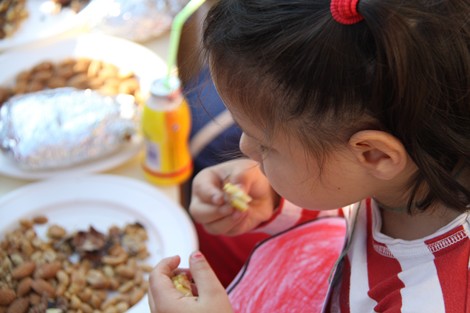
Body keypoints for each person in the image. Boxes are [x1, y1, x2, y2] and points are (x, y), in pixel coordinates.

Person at [149, 0, 470, 312]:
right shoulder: (418, 164)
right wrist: (277, 205)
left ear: (375, 154)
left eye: (265, 145)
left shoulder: (432, 300)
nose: (246, 149)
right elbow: (351, 205)